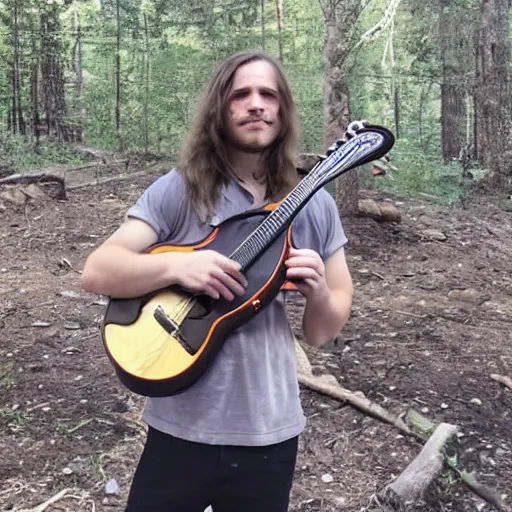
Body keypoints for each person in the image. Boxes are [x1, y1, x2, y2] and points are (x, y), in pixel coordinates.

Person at [81, 50, 354, 512]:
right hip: (180, 426)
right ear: (220, 109)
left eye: (268, 94)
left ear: (283, 110)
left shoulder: (315, 204)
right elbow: (97, 270)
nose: (256, 104)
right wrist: (177, 267)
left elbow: (322, 333)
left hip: (269, 430)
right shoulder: (182, 189)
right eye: (241, 94)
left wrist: (320, 293)